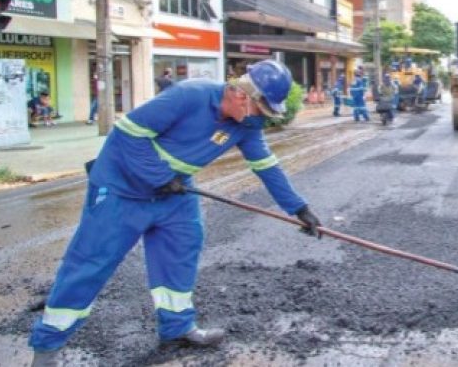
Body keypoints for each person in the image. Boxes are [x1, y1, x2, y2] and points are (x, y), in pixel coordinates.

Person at [28, 60, 322, 366]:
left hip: (174, 195)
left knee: (180, 254)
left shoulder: (247, 125)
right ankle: (47, 346)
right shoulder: (188, 96)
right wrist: (160, 177)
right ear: (241, 94)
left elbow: (266, 166)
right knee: (90, 263)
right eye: (261, 109)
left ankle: (177, 327)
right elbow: (128, 134)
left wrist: (299, 208)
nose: (261, 118)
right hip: (122, 190)